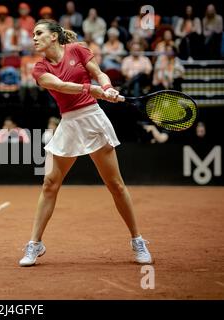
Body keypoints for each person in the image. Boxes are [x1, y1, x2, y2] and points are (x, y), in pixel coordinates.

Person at [19, 19, 152, 267]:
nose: (34, 38)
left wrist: (107, 86)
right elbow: (59, 86)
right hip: (69, 123)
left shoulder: (78, 49)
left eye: (39, 33)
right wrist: (93, 89)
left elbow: (99, 72)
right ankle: (35, 244)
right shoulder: (39, 68)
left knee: (115, 184)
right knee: (50, 183)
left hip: (92, 118)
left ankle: (137, 239)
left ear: (54, 36)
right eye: (33, 34)